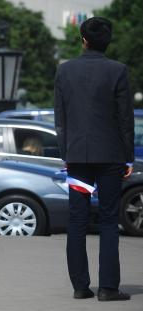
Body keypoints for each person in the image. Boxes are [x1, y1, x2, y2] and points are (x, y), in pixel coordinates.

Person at [54, 17, 134, 301]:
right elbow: (125, 119)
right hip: (111, 158)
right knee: (110, 220)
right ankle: (108, 288)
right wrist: (128, 158)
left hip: (77, 159)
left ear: (82, 39)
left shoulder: (65, 72)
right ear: (107, 41)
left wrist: (66, 156)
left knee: (77, 220)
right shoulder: (118, 71)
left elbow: (60, 120)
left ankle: (80, 286)